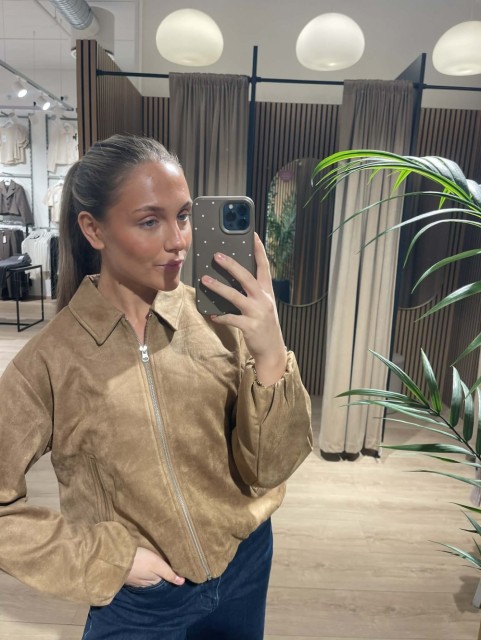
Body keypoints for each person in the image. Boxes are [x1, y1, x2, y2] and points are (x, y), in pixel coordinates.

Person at [0, 134, 312, 640]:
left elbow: (271, 468)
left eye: (183, 216)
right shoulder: (51, 361)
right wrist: (108, 559)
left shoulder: (218, 321)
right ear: (93, 229)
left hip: (244, 564)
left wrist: (271, 353)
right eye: (150, 221)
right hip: (143, 600)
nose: (179, 240)